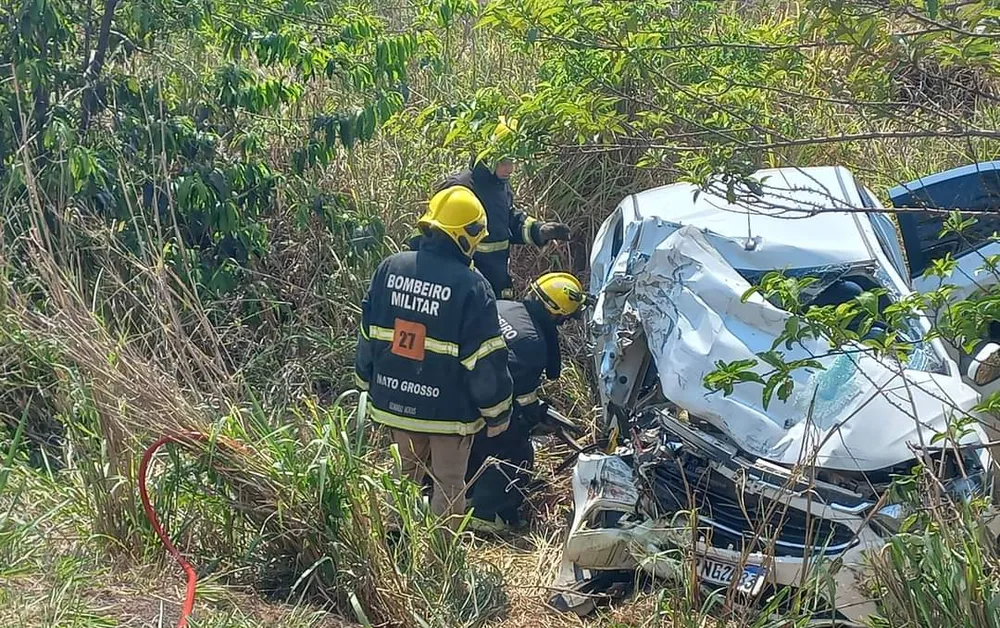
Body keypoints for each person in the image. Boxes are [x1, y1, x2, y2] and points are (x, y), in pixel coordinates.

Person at [354, 185, 514, 530]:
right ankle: (441, 566)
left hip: (395, 403)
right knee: (449, 485)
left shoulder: (389, 268)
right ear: (465, 235)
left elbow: (369, 334)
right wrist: (498, 412)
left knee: (401, 480)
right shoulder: (472, 286)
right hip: (448, 414)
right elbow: (485, 360)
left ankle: (392, 553)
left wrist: (365, 381)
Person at [465, 271, 587, 532]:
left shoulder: (501, 306)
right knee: (517, 450)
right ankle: (486, 513)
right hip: (477, 409)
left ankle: (465, 490)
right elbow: (521, 399)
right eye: (564, 320)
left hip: (452, 395)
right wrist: (536, 417)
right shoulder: (532, 342)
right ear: (555, 314)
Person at [421, 118, 572, 299]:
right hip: (464, 289)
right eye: (504, 161)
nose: (511, 169)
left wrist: (539, 230)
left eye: (513, 160)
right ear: (487, 155)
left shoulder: (500, 185)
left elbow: (507, 221)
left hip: (495, 285)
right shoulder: (460, 188)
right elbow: (436, 239)